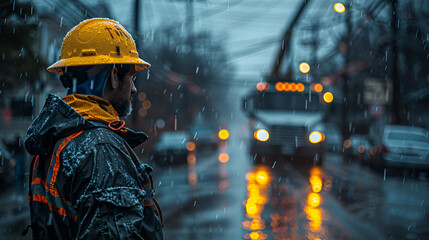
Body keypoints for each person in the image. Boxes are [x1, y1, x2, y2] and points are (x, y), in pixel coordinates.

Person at [24, 18, 164, 239]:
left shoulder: (56, 139)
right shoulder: (102, 149)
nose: (135, 89)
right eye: (131, 77)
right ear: (115, 76)